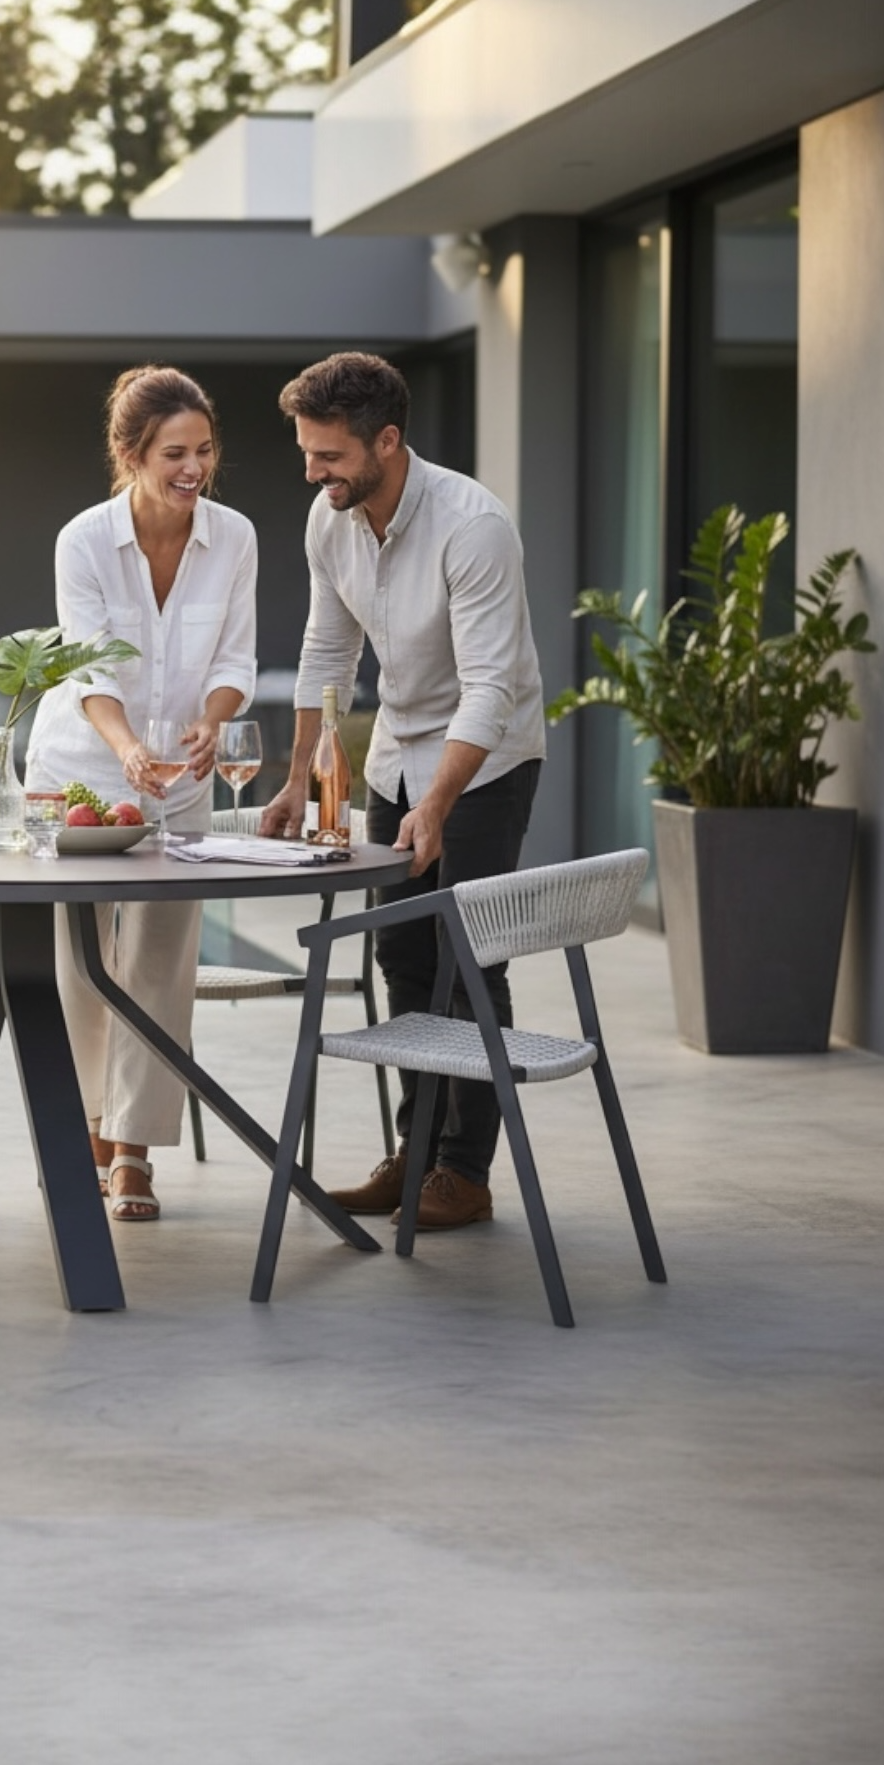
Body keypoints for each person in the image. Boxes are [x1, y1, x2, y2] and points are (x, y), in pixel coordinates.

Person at [259, 352, 545, 1231]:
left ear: (388, 440)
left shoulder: (474, 526)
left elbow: (492, 689)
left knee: (469, 961)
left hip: (485, 761)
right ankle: (414, 1153)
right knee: (403, 961)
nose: (314, 473)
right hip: (395, 754)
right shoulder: (331, 517)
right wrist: (301, 776)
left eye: (330, 456)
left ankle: (464, 1172)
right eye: (307, 453)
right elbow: (326, 651)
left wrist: (441, 802)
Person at [25, 366, 258, 1223]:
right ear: (130, 456)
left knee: (161, 957)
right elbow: (85, 661)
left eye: (203, 450)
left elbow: (236, 657)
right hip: (81, 769)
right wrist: (126, 749)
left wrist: (211, 723)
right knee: (81, 960)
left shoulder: (235, 539)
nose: (193, 467)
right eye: (173, 453)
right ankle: (86, 1124)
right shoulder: (83, 540)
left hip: (184, 781)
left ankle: (132, 1153)